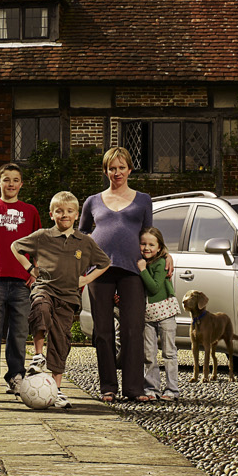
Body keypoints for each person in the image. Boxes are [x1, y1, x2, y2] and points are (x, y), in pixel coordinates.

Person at [12, 191, 110, 409]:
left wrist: (86, 278)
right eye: (59, 211)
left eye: (69, 211)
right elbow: (16, 247)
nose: (64, 215)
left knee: (60, 339)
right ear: (51, 214)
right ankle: (38, 356)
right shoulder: (42, 236)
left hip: (68, 297)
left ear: (77, 215)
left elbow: (104, 263)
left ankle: (55, 391)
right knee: (40, 308)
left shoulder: (85, 242)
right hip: (45, 288)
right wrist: (30, 268)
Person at [79, 145, 154, 402]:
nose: (117, 172)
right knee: (103, 330)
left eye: (122, 167)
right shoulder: (92, 201)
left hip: (132, 270)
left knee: (133, 328)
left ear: (130, 169)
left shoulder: (143, 200)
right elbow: (82, 234)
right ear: (106, 171)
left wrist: (165, 255)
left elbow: (149, 235)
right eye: (112, 168)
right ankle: (108, 387)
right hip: (99, 271)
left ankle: (134, 388)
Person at [0, 163, 42, 394]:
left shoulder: (30, 211)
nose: (11, 184)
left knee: (18, 332)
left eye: (15, 180)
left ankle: (16, 376)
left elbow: (38, 246)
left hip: (21, 281)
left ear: (21, 184)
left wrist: (35, 272)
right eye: (6, 179)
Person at [138, 226, 179, 401]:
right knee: (149, 354)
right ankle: (151, 388)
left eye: (151, 245)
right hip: (147, 316)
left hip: (165, 314)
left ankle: (172, 389)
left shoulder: (161, 263)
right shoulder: (140, 261)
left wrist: (142, 270)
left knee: (169, 353)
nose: (146, 248)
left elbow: (154, 288)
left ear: (159, 247)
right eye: (143, 244)